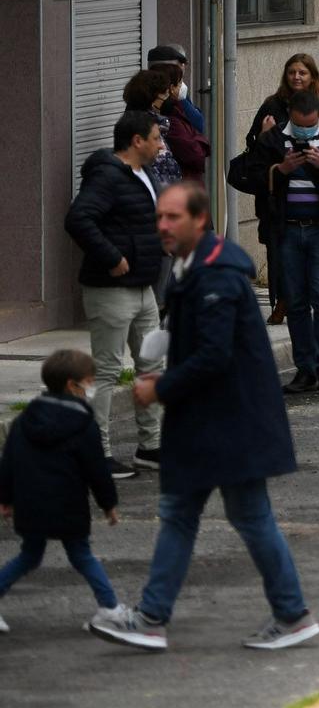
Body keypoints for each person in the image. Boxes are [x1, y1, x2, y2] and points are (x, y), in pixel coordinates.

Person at [90, 183, 319, 652]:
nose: (163, 226)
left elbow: (215, 356)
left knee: (239, 518)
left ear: (200, 220)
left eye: (173, 218)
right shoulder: (191, 267)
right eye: (160, 218)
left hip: (229, 424)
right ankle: (158, 616)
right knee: (193, 514)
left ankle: (286, 614)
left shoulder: (217, 276)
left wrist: (160, 388)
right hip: (212, 423)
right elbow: (198, 339)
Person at [64, 111, 166, 473]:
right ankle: (98, 453)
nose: (161, 145)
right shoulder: (108, 175)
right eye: (156, 138)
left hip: (144, 288)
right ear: (137, 141)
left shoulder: (144, 174)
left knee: (152, 366)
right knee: (106, 372)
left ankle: (150, 447)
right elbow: (78, 219)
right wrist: (111, 257)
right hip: (111, 290)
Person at [247, 90, 319, 395]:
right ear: (291, 118)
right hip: (287, 232)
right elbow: (249, 175)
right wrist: (280, 170)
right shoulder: (273, 139)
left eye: (310, 128)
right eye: (299, 128)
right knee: (297, 302)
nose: (304, 134)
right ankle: (305, 369)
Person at [0, 349, 123, 634]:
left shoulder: (23, 421)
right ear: (72, 385)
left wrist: (5, 498)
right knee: (82, 555)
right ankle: (110, 609)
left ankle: (110, 608)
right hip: (68, 505)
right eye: (89, 382)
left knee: (29, 555)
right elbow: (97, 471)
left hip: (30, 503)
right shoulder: (84, 425)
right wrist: (109, 505)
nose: (90, 389)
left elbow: (8, 462)